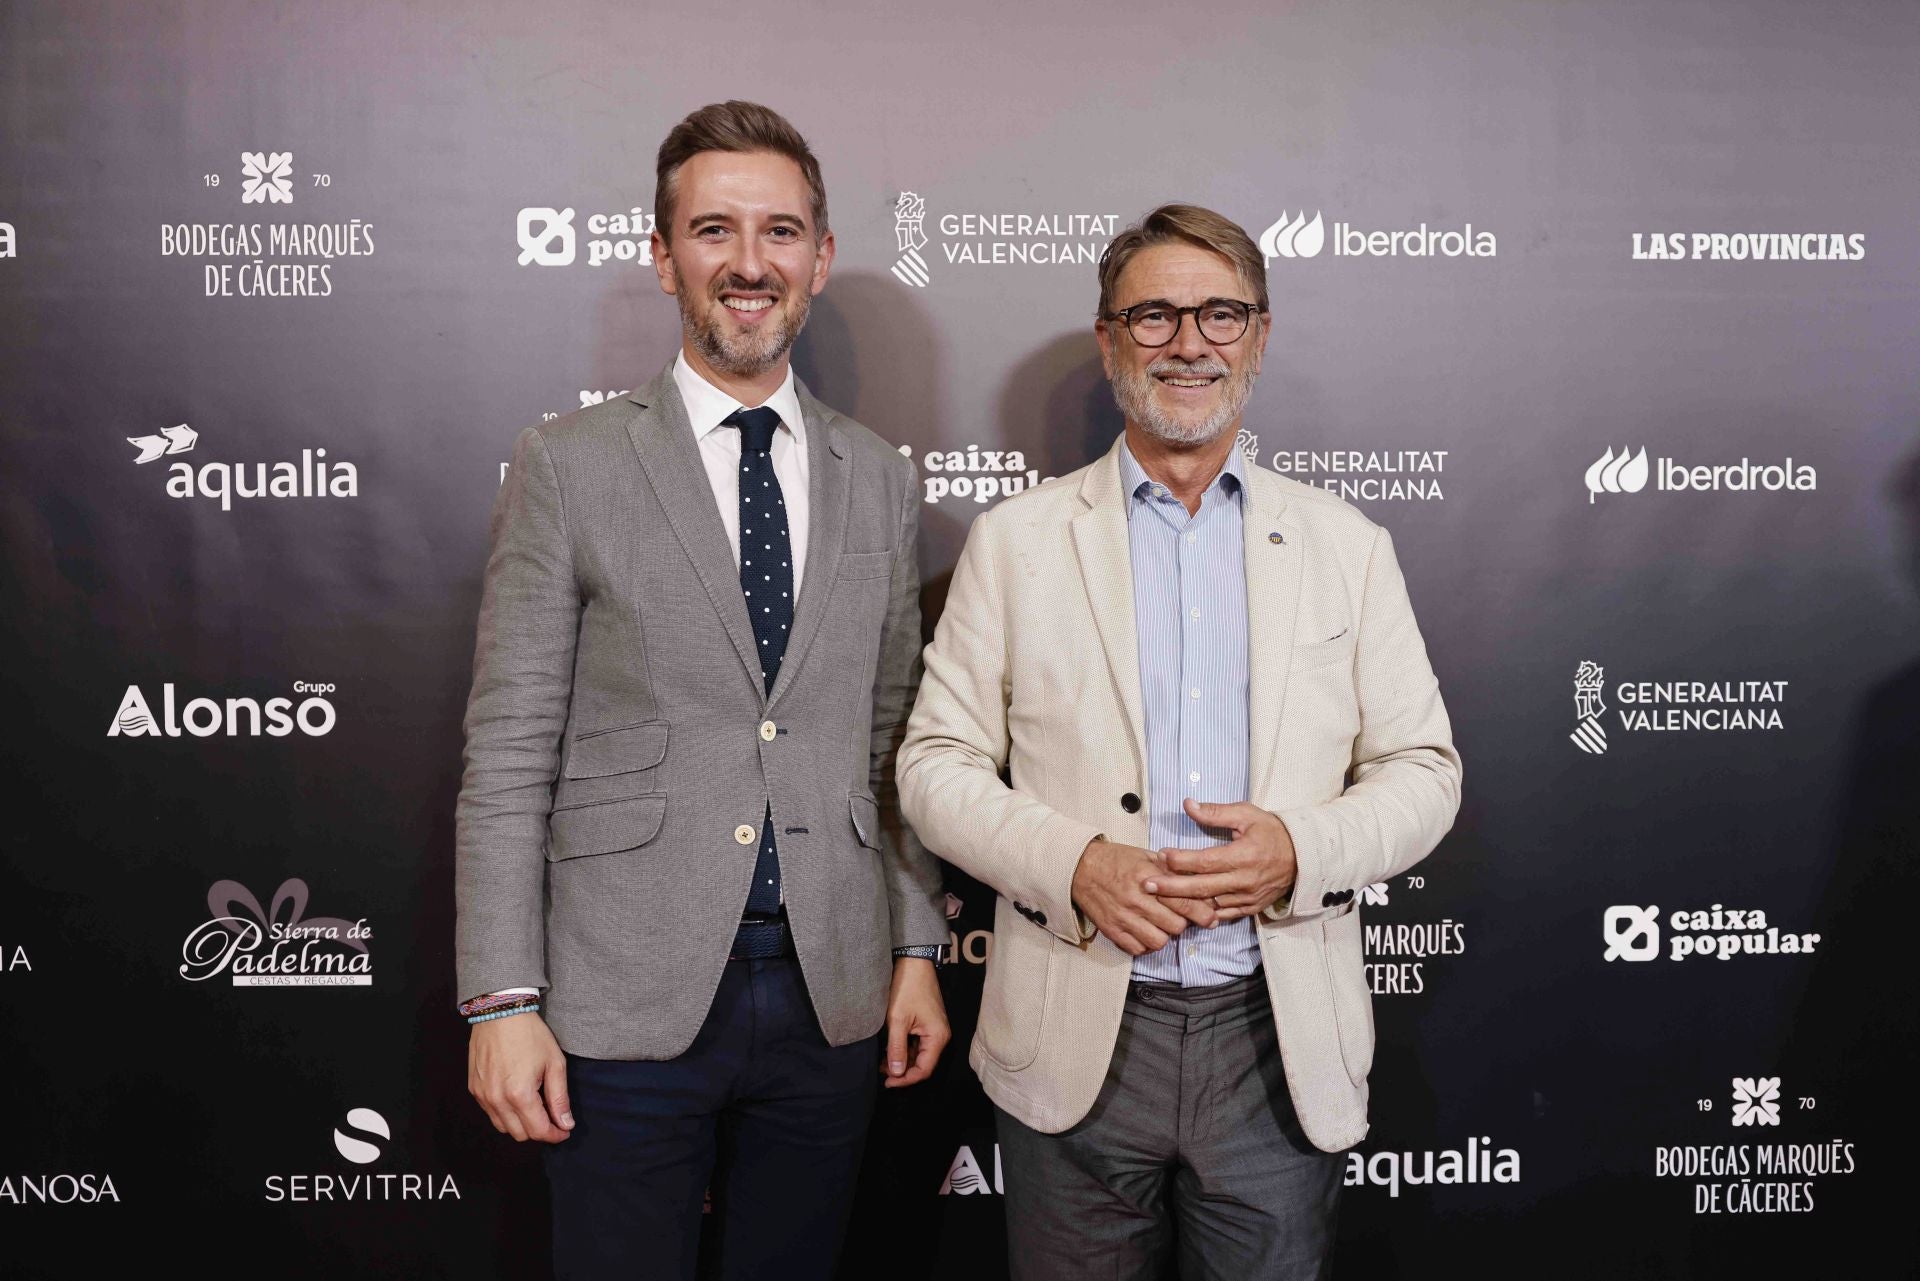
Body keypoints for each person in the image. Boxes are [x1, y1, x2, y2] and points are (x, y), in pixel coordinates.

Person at [898, 203, 1460, 1280]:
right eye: (1153, 315)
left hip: (1275, 1035)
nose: (1188, 342)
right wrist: (1076, 866)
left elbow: (1424, 774)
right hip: (1078, 1028)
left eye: (1219, 315)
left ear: (1257, 335)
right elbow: (933, 766)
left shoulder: (1347, 546)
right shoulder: (1017, 545)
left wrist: (1299, 850)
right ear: (1110, 339)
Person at [455, 100, 950, 1281]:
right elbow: (513, 746)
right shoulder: (570, 465)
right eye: (714, 230)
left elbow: (892, 737)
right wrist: (498, 1002)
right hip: (622, 989)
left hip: (832, 988)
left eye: (780, 232)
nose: (748, 262)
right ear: (663, 253)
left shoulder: (876, 477)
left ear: (819, 260)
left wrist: (917, 942)